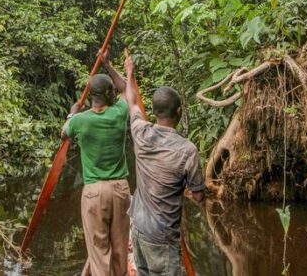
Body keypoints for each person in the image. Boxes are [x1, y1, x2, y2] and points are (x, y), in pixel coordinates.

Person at [101, 53, 205, 276]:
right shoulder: (187, 151)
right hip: (163, 237)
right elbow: (198, 196)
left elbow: (130, 98)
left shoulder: (140, 132)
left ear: (156, 112)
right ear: (179, 112)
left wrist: (115, 68)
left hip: (138, 229)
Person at [62, 62, 131, 276]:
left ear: (91, 96)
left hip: (94, 192)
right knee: (120, 250)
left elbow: (63, 133)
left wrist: (72, 114)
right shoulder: (119, 113)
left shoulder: (80, 121)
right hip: (120, 189)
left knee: (99, 252)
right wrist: (109, 64)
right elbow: (127, 89)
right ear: (109, 93)